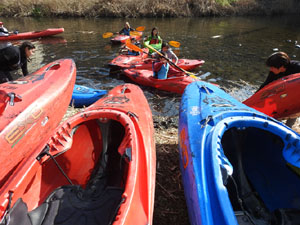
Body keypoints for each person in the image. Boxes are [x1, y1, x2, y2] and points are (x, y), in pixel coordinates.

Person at [257, 51, 300, 128]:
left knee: (293, 110)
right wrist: (255, 98)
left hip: (297, 94)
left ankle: (288, 127)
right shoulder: (274, 72)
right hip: (286, 92)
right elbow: (265, 85)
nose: (270, 69)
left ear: (281, 67)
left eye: (272, 67)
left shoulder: (297, 67)